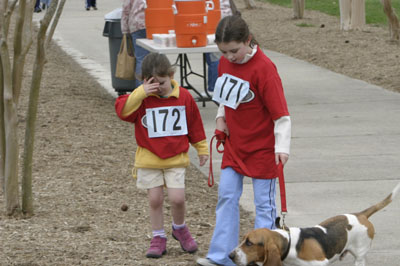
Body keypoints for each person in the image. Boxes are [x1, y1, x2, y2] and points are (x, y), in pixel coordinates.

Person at [197, 15, 291, 266]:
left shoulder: (265, 68)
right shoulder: (225, 64)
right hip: (235, 145)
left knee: (264, 207)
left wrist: (282, 148)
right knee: (226, 197)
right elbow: (225, 99)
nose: (229, 56)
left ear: (247, 40)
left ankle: (261, 260)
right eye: (223, 51)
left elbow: (281, 115)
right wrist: (220, 118)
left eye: (234, 50)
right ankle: (220, 256)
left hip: (262, 149)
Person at [115, 53, 210, 258]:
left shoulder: (184, 96)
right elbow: (123, 111)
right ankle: (158, 236)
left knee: (177, 198)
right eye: (153, 84)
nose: (158, 88)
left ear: (172, 75)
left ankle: (179, 227)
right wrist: (141, 92)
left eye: (162, 82)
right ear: (144, 81)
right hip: (149, 159)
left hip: (175, 158)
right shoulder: (141, 99)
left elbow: (194, 124)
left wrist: (201, 148)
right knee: (155, 199)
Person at [205, 0, 233, 92]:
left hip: (218, 23)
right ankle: (215, 87)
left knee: (215, 58)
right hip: (219, 22)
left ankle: (214, 88)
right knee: (213, 58)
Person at [121, 0, 149, 88]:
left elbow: (126, 9)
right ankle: (158, 88)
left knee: (141, 59)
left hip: (138, 24)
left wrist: (125, 30)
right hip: (157, 22)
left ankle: (141, 90)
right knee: (156, 58)